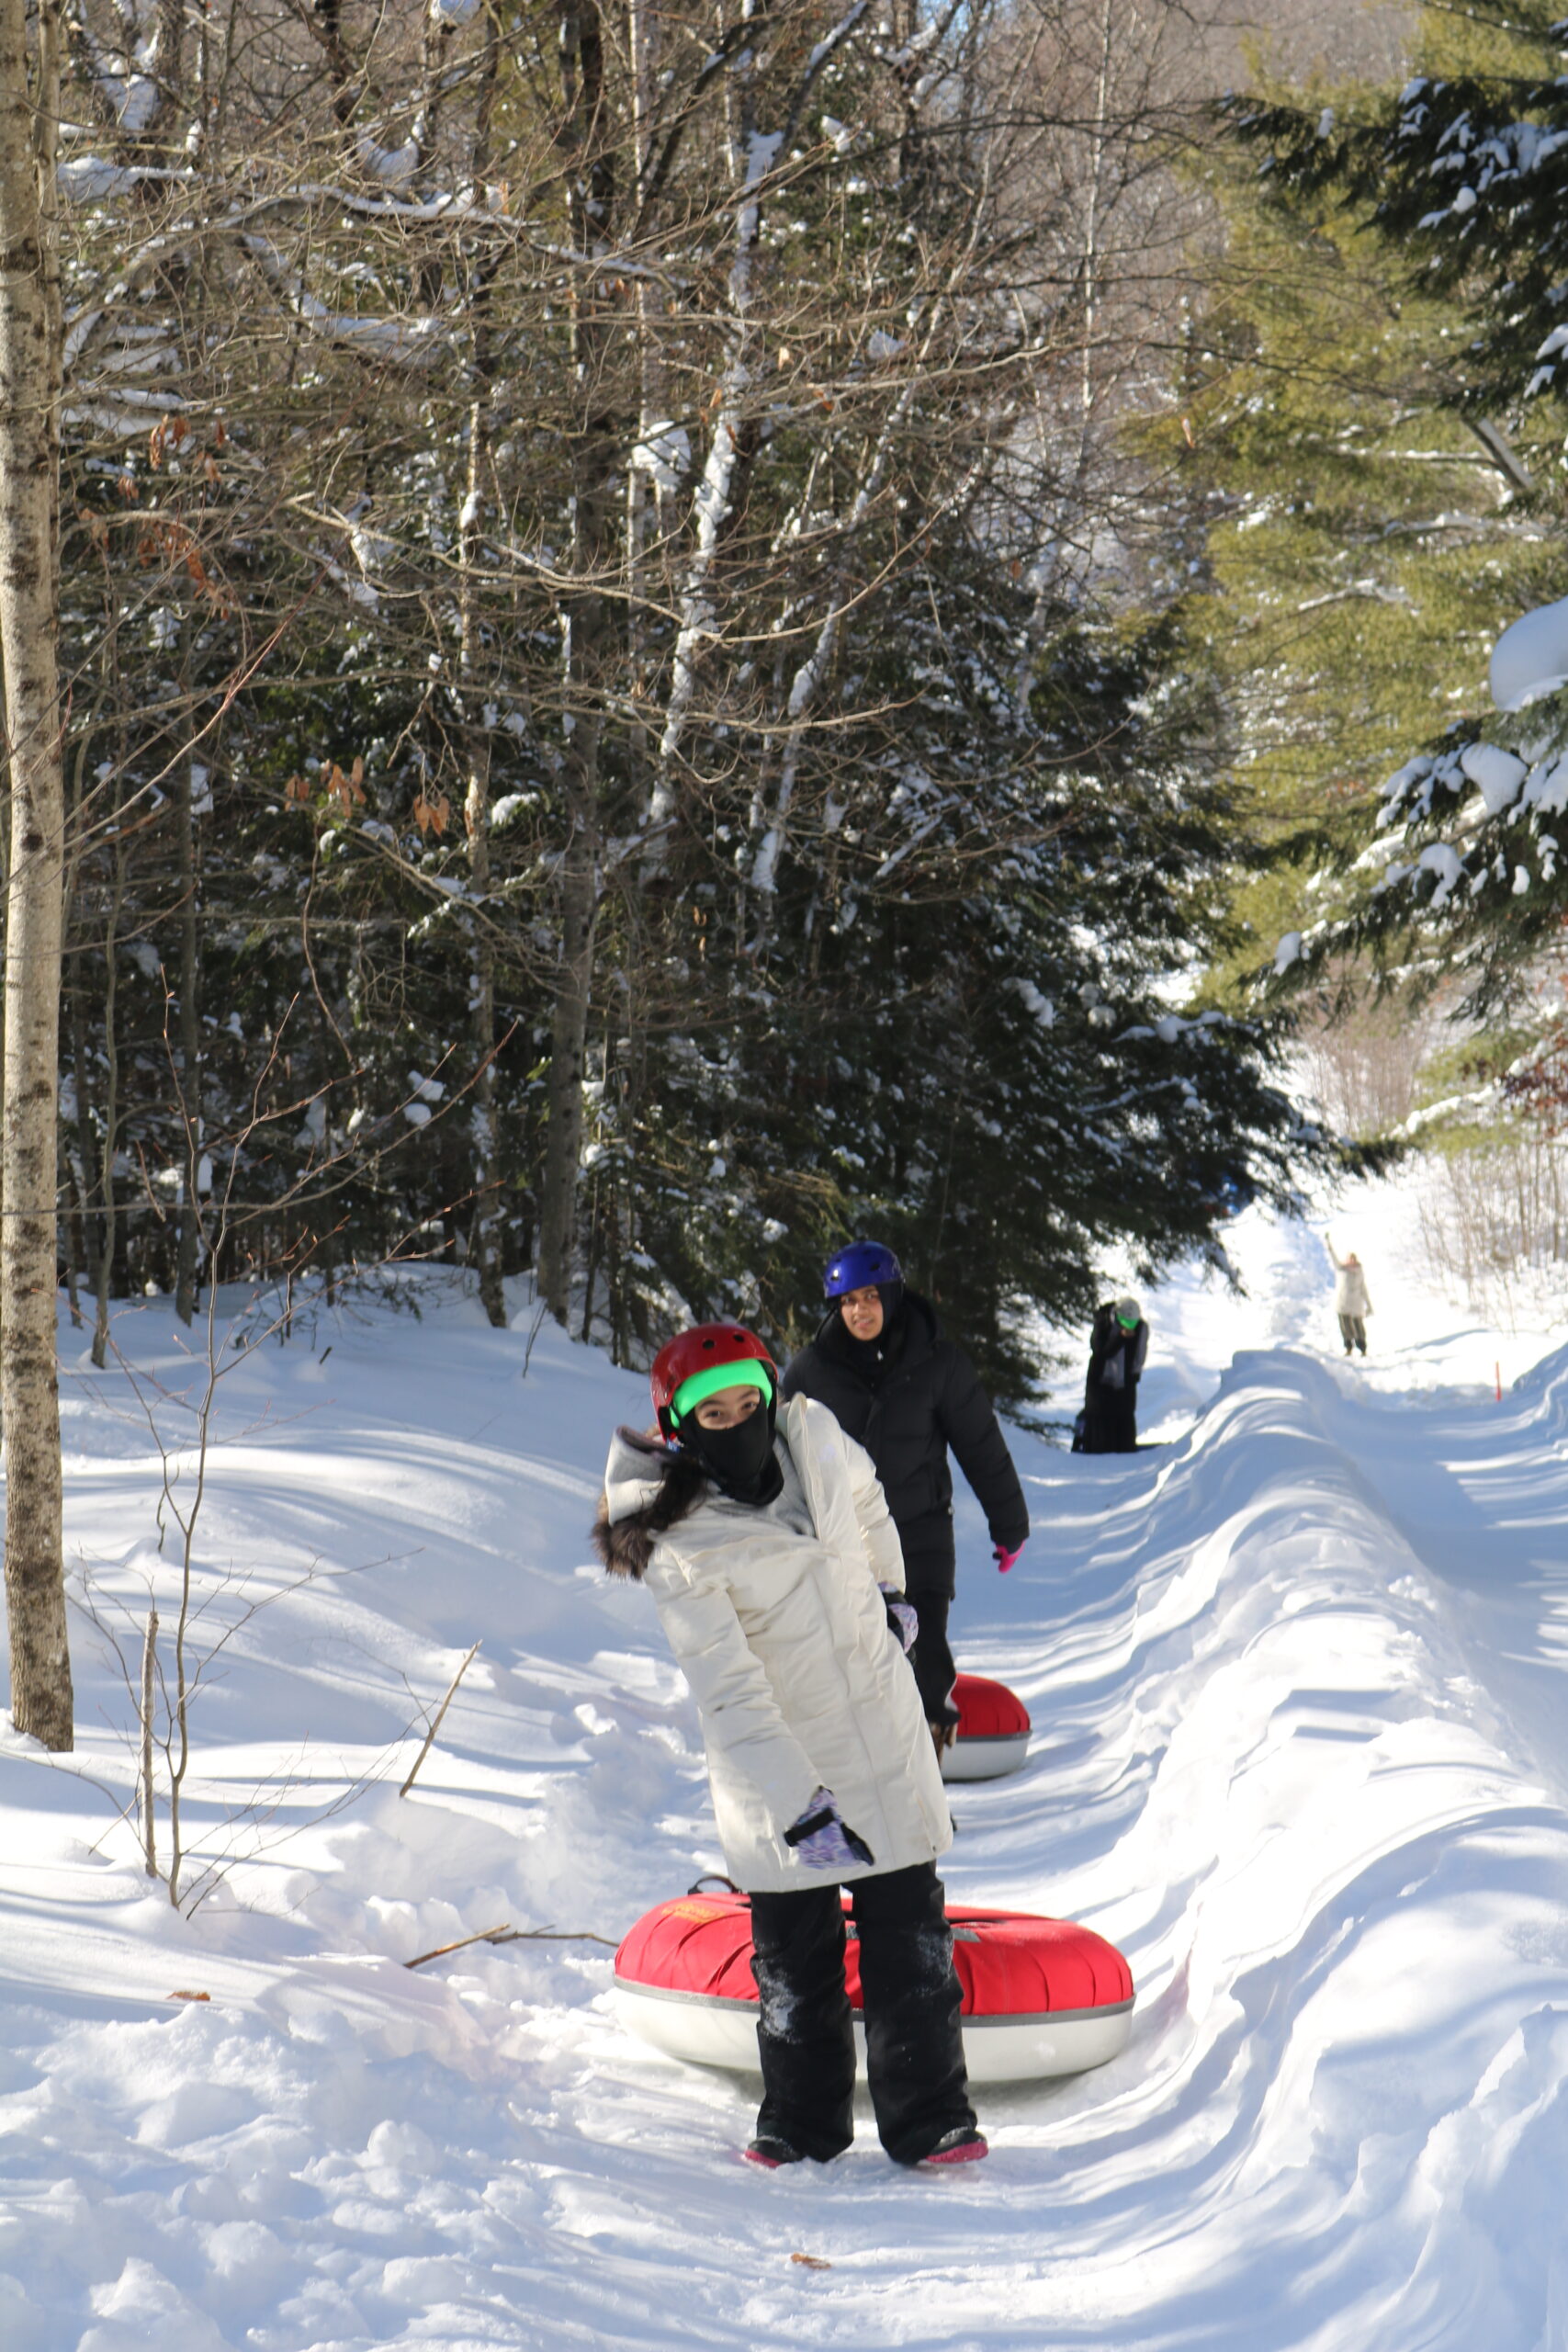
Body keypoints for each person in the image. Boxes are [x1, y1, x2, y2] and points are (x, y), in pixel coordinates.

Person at [592, 1321, 985, 2173]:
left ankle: (931, 2119)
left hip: (878, 1733)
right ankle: (801, 2126)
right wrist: (800, 1806)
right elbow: (729, 1691)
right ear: (679, 1428)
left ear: (771, 1397)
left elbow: (870, 1502)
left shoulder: (816, 1439)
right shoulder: (681, 1544)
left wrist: (890, 1593)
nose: (738, 1423)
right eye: (714, 1414)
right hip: (779, 1771)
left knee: (910, 1941)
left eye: (749, 1403)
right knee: (796, 1962)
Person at [780, 1240, 1029, 1750]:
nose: (860, 1311)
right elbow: (783, 1456)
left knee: (927, 1659)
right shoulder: (811, 1372)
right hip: (846, 1543)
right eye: (848, 1301)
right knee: (854, 1663)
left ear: (891, 1296)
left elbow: (981, 1444)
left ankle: (928, 1778)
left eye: (871, 1297)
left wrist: (1010, 1525)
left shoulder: (938, 1363)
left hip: (921, 1535)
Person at [1080, 1295, 1147, 1454]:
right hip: (1100, 1382)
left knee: (1124, 1423)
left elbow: (1140, 1354)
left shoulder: (1141, 1327)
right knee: (1100, 1428)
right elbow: (1100, 1351)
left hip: (1125, 1383)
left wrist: (1134, 1375)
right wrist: (1120, 1338)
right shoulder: (1103, 1322)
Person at [1328, 1242, 1371, 1357]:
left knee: (1358, 1327)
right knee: (1345, 1327)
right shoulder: (1341, 1269)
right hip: (1343, 1303)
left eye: (1354, 1258)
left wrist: (1369, 1305)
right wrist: (1329, 1246)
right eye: (1350, 1258)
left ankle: (1362, 1348)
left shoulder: (1359, 1271)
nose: (1352, 1260)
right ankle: (1348, 1348)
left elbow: (1363, 1288)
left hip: (1356, 1303)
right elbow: (1334, 1259)